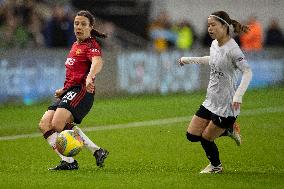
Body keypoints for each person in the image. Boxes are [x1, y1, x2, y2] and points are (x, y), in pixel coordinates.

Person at [178, 11, 252, 173]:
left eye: (213, 25)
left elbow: (247, 72)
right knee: (192, 135)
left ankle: (216, 166)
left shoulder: (233, 50)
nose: (210, 28)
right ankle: (229, 130)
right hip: (211, 100)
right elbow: (212, 60)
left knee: (206, 138)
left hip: (227, 105)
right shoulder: (214, 44)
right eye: (208, 25)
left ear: (224, 26)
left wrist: (238, 95)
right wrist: (188, 60)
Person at [39, 10, 109, 170]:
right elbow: (73, 75)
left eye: (83, 24)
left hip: (82, 91)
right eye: (76, 23)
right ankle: (70, 161)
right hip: (69, 91)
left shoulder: (91, 45)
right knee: (44, 124)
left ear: (90, 27)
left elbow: (97, 62)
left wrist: (90, 76)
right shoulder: (75, 45)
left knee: (58, 123)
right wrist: (63, 90)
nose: (79, 27)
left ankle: (95, 151)